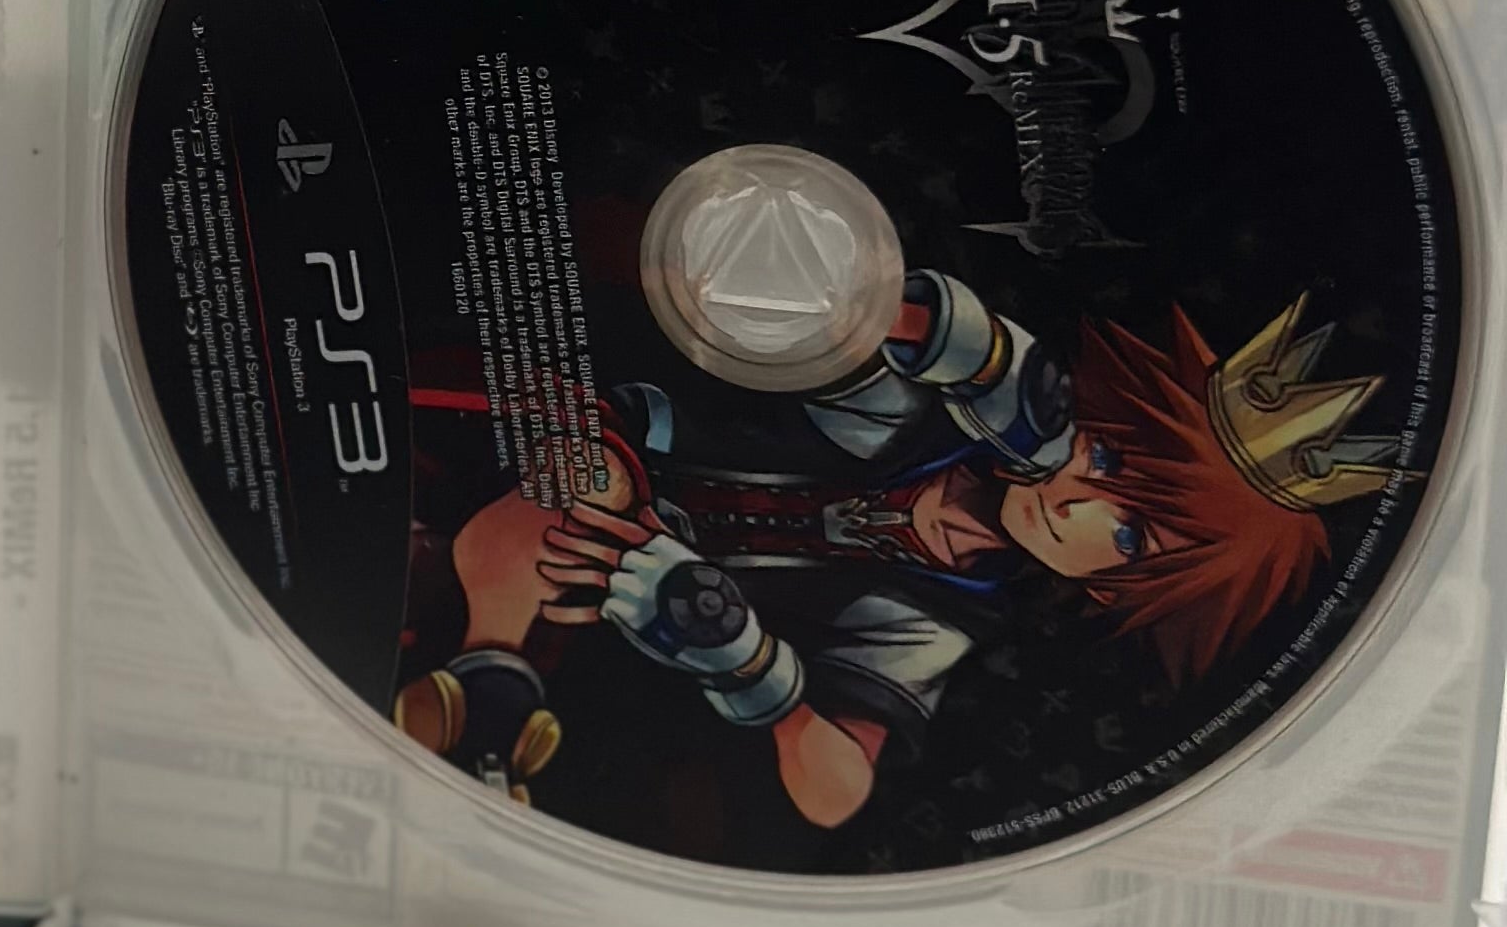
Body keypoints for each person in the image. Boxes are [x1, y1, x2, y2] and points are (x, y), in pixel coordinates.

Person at [402, 272, 1392, 837]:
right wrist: (990, 361)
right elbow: (852, 316)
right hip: (596, 436)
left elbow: (834, 792)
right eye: (1105, 457)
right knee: (585, 487)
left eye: (1130, 535)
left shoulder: (940, 617)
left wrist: (746, 665)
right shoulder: (923, 420)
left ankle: (486, 702)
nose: (1079, 503)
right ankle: (488, 694)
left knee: (576, 535)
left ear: (1122, 587)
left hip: (595, 586)